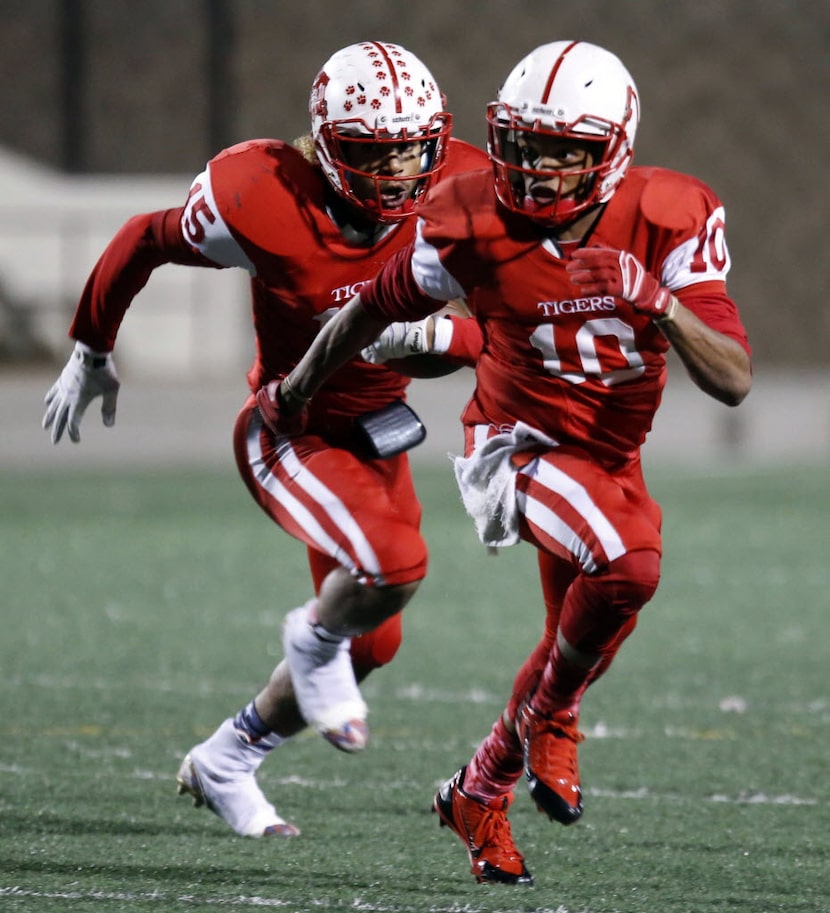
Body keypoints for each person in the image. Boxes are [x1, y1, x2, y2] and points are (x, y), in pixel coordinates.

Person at [253, 39, 752, 883]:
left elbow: (733, 377)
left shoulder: (672, 212)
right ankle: (548, 721)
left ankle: (481, 786)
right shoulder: (467, 215)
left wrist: (657, 301)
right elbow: (369, 312)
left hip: (608, 452)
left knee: (596, 620)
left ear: (613, 149)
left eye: (567, 150)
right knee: (629, 565)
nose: (541, 168)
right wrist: (295, 388)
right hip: (513, 444)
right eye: (524, 144)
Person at [41, 41, 488, 838]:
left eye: (412, 151)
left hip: (374, 434)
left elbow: (496, 329)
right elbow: (146, 237)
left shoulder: (461, 188)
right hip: (289, 426)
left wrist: (440, 339)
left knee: (375, 638)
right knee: (393, 565)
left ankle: (227, 757)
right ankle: (308, 637)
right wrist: (91, 347)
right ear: (327, 146)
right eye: (373, 155)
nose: (397, 173)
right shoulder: (259, 195)